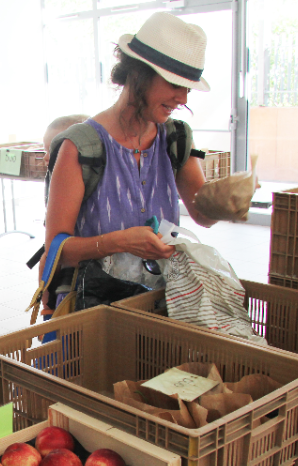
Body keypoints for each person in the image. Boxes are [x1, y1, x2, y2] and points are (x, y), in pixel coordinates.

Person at [44, 12, 217, 296]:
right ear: (138, 74)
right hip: (95, 313)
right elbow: (57, 250)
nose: (183, 99)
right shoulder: (81, 147)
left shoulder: (177, 139)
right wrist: (119, 242)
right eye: (174, 84)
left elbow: (204, 216)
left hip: (159, 305)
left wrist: (227, 201)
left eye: (187, 88)